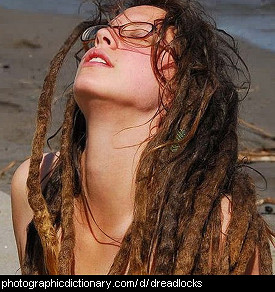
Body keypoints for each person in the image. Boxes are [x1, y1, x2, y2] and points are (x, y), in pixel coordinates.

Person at [11, 0, 274, 275]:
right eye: (104, 31)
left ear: (180, 90)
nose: (103, 36)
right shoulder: (37, 186)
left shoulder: (219, 230)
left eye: (137, 33)